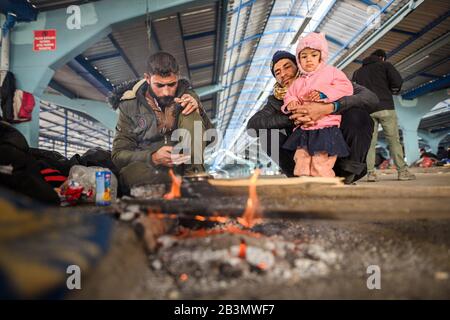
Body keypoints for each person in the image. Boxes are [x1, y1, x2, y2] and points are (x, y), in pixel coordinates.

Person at [247, 50, 378, 184]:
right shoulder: (276, 101)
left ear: (298, 66)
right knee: (269, 138)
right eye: (277, 72)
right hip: (303, 156)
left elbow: (370, 98)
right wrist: (294, 117)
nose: (283, 74)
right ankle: (301, 178)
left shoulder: (327, 80)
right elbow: (252, 126)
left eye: (287, 67)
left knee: (358, 114)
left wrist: (331, 107)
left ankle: (347, 173)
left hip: (336, 149)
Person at [111, 52, 213, 193]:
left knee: (191, 113)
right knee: (137, 175)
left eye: (171, 84)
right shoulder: (129, 106)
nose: (166, 92)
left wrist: (200, 110)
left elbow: (210, 138)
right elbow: (118, 155)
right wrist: (152, 157)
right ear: (147, 78)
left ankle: (193, 176)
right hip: (147, 170)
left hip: (183, 168)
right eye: (159, 85)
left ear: (177, 76)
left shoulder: (188, 97)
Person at [281, 32, 352, 177]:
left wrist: (323, 94)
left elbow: (346, 87)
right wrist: (291, 102)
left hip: (325, 128)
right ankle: (305, 188)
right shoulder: (298, 82)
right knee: (301, 161)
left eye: (313, 55)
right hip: (304, 130)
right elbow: (289, 95)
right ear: (299, 60)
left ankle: (326, 189)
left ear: (321, 56)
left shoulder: (331, 72)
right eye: (304, 56)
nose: (309, 60)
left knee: (320, 163)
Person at [352, 49, 415, 181]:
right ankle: (402, 172)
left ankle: (370, 173)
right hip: (385, 106)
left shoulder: (357, 72)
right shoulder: (385, 65)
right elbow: (397, 82)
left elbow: (353, 91)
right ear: (382, 58)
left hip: (367, 110)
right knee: (393, 140)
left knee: (370, 143)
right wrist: (391, 90)